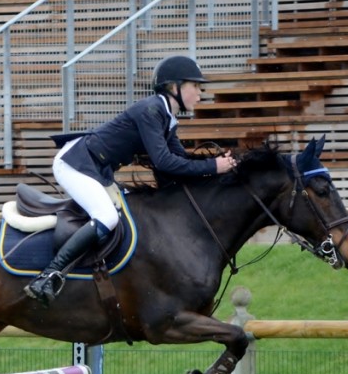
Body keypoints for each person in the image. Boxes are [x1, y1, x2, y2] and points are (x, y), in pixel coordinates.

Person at [24, 54, 238, 307]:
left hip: (96, 169)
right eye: (196, 87)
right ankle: (49, 275)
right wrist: (214, 166)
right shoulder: (151, 110)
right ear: (174, 87)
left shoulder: (166, 117)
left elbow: (179, 164)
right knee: (107, 217)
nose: (200, 94)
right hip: (74, 164)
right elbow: (164, 162)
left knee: (123, 214)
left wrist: (218, 169)